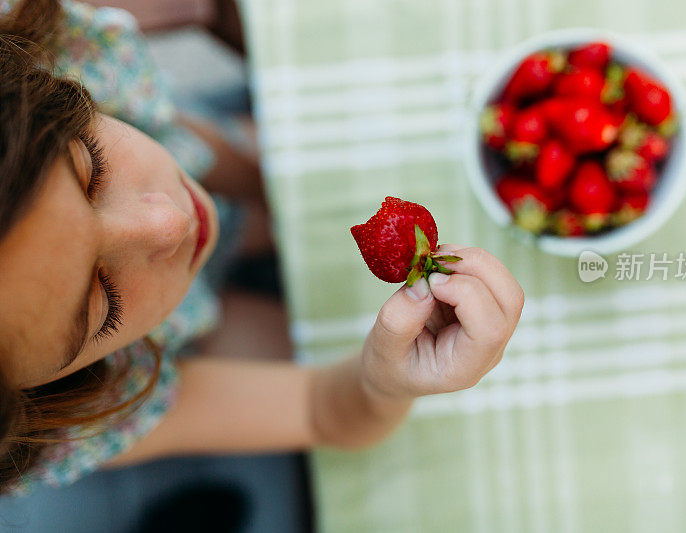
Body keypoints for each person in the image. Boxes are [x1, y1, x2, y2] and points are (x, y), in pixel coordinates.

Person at [0, 0, 524, 496]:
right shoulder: (64, 424)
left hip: (192, 147)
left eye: (92, 168)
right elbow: (323, 409)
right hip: (180, 333)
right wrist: (388, 380)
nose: (171, 222)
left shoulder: (47, 83)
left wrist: (263, 190)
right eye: (105, 302)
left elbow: (200, 149)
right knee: (311, 342)